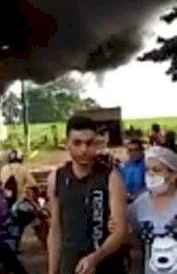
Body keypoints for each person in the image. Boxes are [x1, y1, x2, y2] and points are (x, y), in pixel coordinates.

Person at [47, 116, 128, 274]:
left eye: (89, 143)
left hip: (107, 264)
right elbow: (55, 229)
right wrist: (52, 270)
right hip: (71, 264)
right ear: (67, 144)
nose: (83, 149)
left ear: (96, 144)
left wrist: (95, 258)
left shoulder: (111, 177)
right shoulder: (56, 178)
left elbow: (120, 231)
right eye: (77, 143)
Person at [127, 145, 177, 274]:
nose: (151, 174)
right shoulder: (139, 205)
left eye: (156, 170)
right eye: (147, 170)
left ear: (173, 175)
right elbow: (131, 236)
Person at [0, 149, 38, 245]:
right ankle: (16, 238)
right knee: (31, 215)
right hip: (19, 202)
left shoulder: (3, 168)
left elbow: (0, 184)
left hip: (5, 201)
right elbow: (33, 184)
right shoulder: (22, 168)